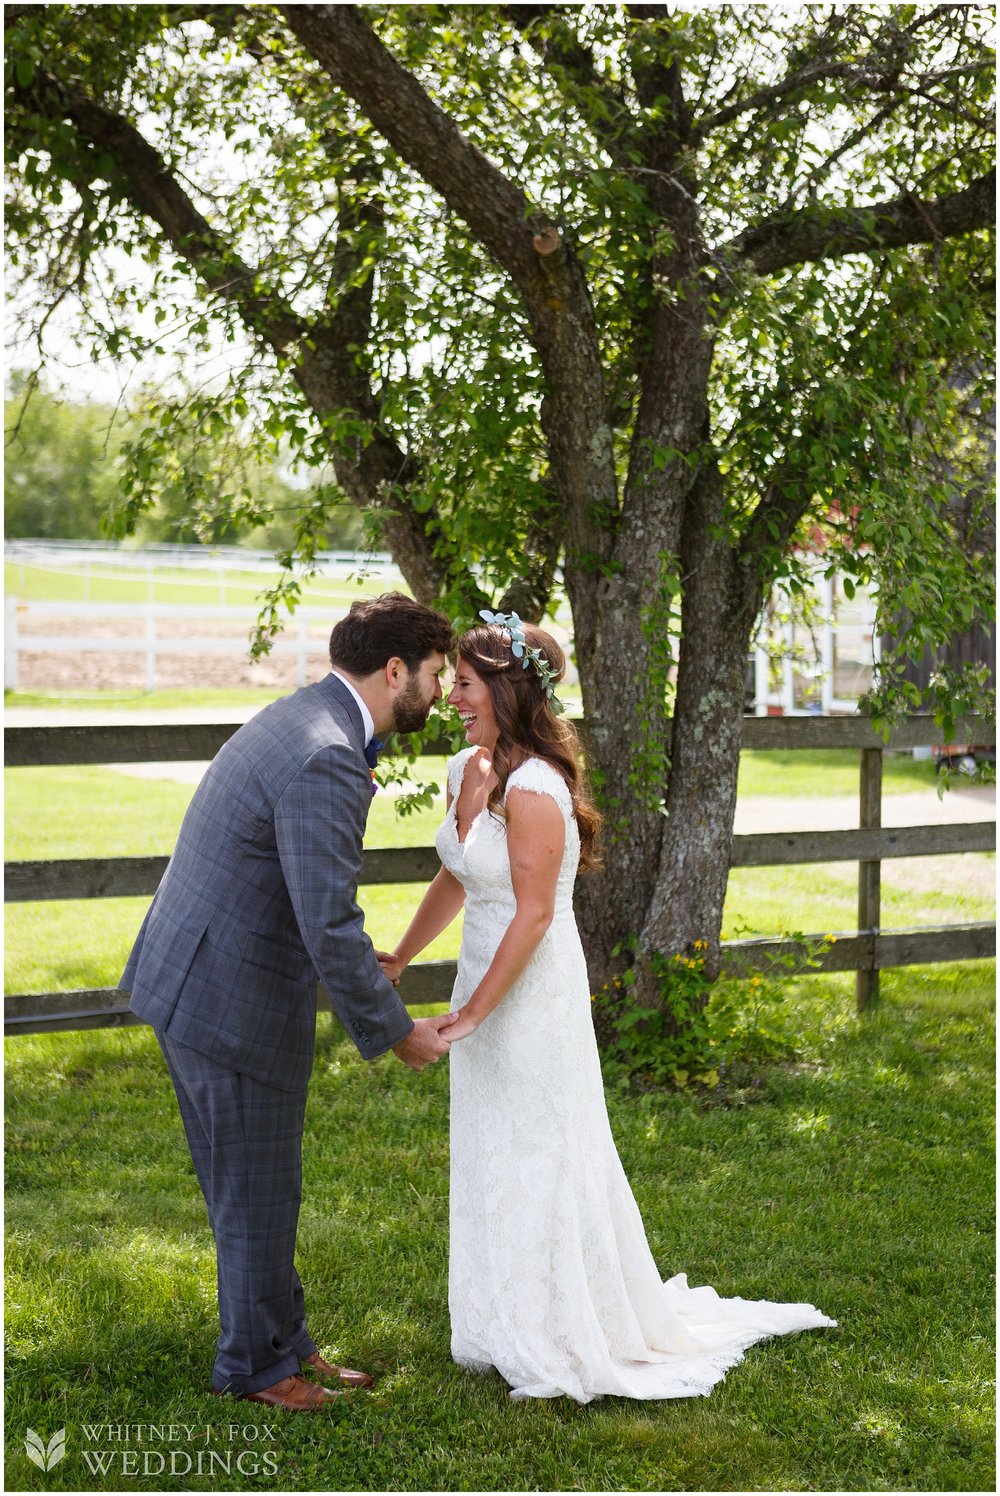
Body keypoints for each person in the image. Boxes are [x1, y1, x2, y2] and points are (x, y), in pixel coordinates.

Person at [378, 614, 836, 1402]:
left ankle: (562, 1327)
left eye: (463, 681)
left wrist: (479, 1013)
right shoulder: (467, 770)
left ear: (505, 687)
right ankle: (501, 1318)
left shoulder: (536, 787)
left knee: (541, 1152)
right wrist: (404, 955)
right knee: (492, 1146)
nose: (451, 694)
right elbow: (457, 875)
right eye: (452, 680)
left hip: (529, 997)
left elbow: (533, 915)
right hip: (480, 982)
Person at [121, 592, 457, 1412]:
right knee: (256, 1191)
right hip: (225, 1000)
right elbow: (328, 916)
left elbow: (295, 891)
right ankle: (257, 1370)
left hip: (197, 976)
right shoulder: (328, 755)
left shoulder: (303, 716)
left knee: (257, 1186)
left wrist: (344, 956)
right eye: (437, 675)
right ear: (394, 670)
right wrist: (393, 1032)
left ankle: (286, 1344)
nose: (442, 693)